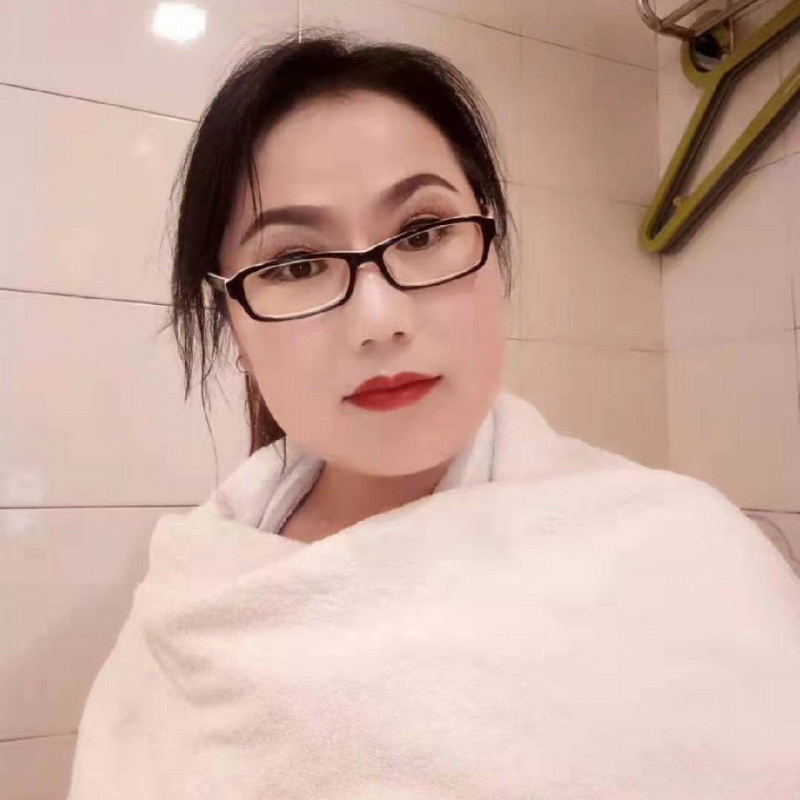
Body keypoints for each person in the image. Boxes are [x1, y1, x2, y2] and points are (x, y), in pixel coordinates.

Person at [68, 29, 800, 799]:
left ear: (495, 252)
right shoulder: (187, 609)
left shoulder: (686, 561)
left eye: (423, 233)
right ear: (233, 323)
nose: (379, 319)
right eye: (296, 264)